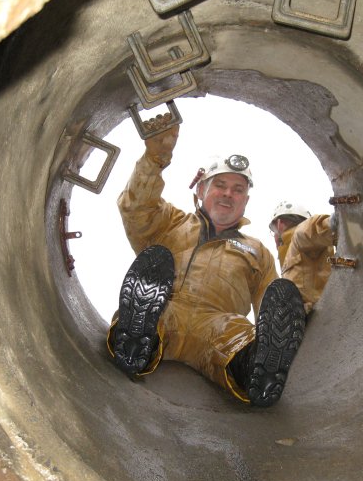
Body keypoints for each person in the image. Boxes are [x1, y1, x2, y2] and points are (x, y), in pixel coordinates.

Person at [106, 114, 306, 407]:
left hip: (218, 324)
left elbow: (271, 309)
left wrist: (279, 335)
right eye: (220, 185)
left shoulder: (256, 251)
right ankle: (136, 342)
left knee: (239, 336)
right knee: (151, 314)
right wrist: (154, 157)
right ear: (201, 190)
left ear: (246, 201)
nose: (228, 193)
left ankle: (255, 372)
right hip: (165, 307)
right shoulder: (171, 222)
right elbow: (135, 208)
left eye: (238, 189)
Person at [269, 201, 337, 313]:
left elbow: (313, 228)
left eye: (274, 232)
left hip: (315, 318)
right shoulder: (295, 252)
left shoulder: (299, 235)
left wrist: (335, 222)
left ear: (279, 224)